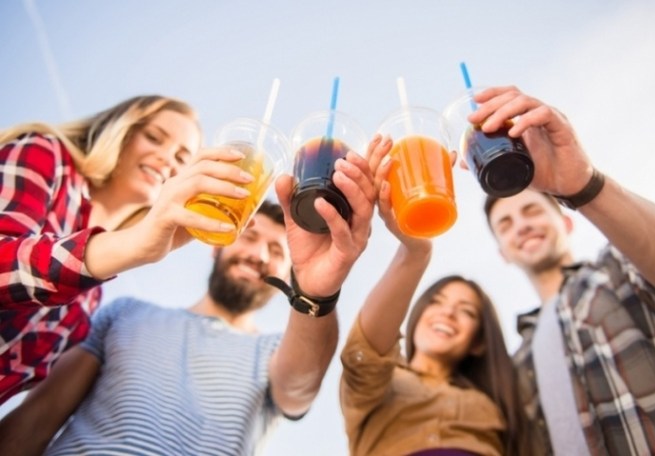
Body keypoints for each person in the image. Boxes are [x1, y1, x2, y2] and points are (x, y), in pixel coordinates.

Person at [0, 131, 377, 455]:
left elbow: (300, 385)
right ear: (218, 243)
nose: (259, 255)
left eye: (277, 252)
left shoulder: (276, 350)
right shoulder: (124, 313)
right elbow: (37, 418)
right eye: (249, 237)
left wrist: (316, 294)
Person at [0, 95, 259, 404]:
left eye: (181, 158)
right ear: (120, 131)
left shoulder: (91, 297)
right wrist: (133, 244)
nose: (166, 158)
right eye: (154, 138)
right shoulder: (46, 155)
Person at [474, 86, 655, 455]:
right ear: (503, 253)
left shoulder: (622, 267)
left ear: (566, 224)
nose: (521, 225)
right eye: (505, 224)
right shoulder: (517, 362)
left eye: (532, 211)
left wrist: (584, 186)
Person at [339, 136, 530, 456]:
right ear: (417, 316)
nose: (447, 314)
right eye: (437, 303)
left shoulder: (496, 401)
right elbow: (365, 355)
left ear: (480, 341)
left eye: (466, 311)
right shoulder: (381, 384)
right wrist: (416, 253)